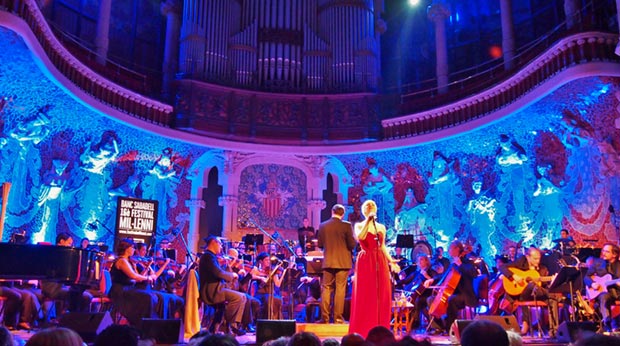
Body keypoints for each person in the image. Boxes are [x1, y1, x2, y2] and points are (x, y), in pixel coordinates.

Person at [349, 200, 399, 337]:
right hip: (366, 260)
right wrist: (368, 221)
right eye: (367, 206)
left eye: (372, 206)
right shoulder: (359, 225)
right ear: (364, 210)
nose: (370, 208)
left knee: (381, 293)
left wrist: (391, 261)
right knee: (366, 293)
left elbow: (382, 246)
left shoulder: (381, 227)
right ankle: (363, 329)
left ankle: (381, 328)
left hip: (379, 259)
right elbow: (361, 237)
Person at [499, 246, 558, 336]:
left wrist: (552, 281)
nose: (537, 261)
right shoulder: (521, 261)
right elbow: (503, 267)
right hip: (522, 294)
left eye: (539, 258)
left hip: (537, 293)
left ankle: (554, 331)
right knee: (531, 285)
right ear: (528, 257)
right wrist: (513, 276)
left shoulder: (542, 269)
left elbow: (544, 285)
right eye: (535, 259)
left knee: (552, 300)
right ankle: (551, 295)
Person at [109, 238, 166, 328]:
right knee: (147, 297)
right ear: (126, 248)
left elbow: (137, 278)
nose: (134, 250)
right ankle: (141, 325)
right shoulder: (122, 260)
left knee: (153, 296)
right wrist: (148, 277)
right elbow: (134, 276)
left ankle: (149, 324)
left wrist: (144, 267)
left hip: (128, 290)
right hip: (120, 292)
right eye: (132, 247)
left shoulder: (128, 261)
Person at [199, 236, 247, 336]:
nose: (221, 247)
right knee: (240, 297)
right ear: (214, 242)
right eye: (220, 244)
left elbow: (218, 272)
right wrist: (232, 275)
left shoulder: (210, 256)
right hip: (212, 291)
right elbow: (218, 273)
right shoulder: (208, 257)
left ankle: (231, 325)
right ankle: (227, 325)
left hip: (216, 289)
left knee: (243, 297)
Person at [316, 204, 357, 324]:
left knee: (326, 289)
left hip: (328, 261)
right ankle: (338, 319)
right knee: (340, 290)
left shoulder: (323, 225)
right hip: (343, 263)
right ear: (343, 214)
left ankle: (325, 318)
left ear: (331, 211)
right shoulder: (347, 226)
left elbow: (320, 244)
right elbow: (352, 245)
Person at [39, 233, 92, 314]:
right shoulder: (52, 254)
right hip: (52, 288)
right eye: (69, 244)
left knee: (84, 295)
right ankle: (72, 319)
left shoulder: (64, 256)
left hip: (61, 287)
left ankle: (76, 319)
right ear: (62, 241)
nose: (71, 247)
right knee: (82, 296)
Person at [432, 240, 478, 334]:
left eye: (450, 248)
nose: (448, 251)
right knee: (431, 299)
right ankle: (440, 326)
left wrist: (460, 264)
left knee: (451, 300)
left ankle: (450, 329)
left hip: (465, 294)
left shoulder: (467, 260)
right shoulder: (453, 263)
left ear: (457, 249)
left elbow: (473, 273)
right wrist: (432, 280)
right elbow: (445, 275)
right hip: (453, 292)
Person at [584, 242, 620, 332]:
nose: (603, 253)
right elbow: (586, 276)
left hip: (617, 293)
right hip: (603, 293)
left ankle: (615, 323)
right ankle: (607, 323)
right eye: (603, 251)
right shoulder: (598, 263)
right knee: (604, 296)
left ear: (614, 254)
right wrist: (592, 284)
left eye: (607, 251)